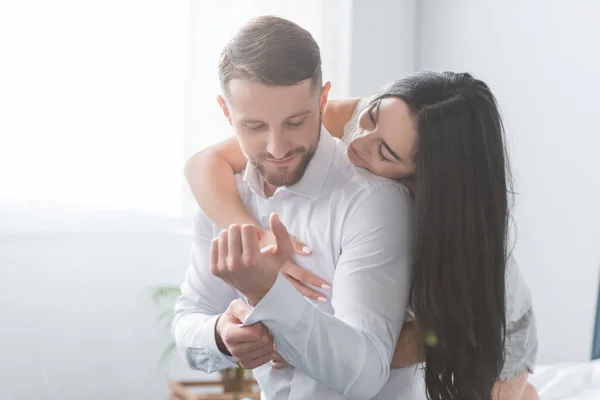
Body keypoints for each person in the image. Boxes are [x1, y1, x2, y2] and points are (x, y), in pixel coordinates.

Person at [183, 22, 539, 400]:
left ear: (421, 178)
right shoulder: (357, 118)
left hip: (491, 328)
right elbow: (202, 164)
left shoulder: (442, 229)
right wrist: (256, 235)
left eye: (385, 152)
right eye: (370, 118)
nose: (357, 144)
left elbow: (411, 345)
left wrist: (289, 340)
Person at [173, 16, 415, 400]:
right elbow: (188, 320)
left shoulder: (372, 200)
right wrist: (220, 334)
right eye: (253, 126)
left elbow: (366, 375)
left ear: (323, 99)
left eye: (296, 122)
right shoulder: (224, 199)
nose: (277, 148)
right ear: (225, 112)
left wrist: (268, 293)